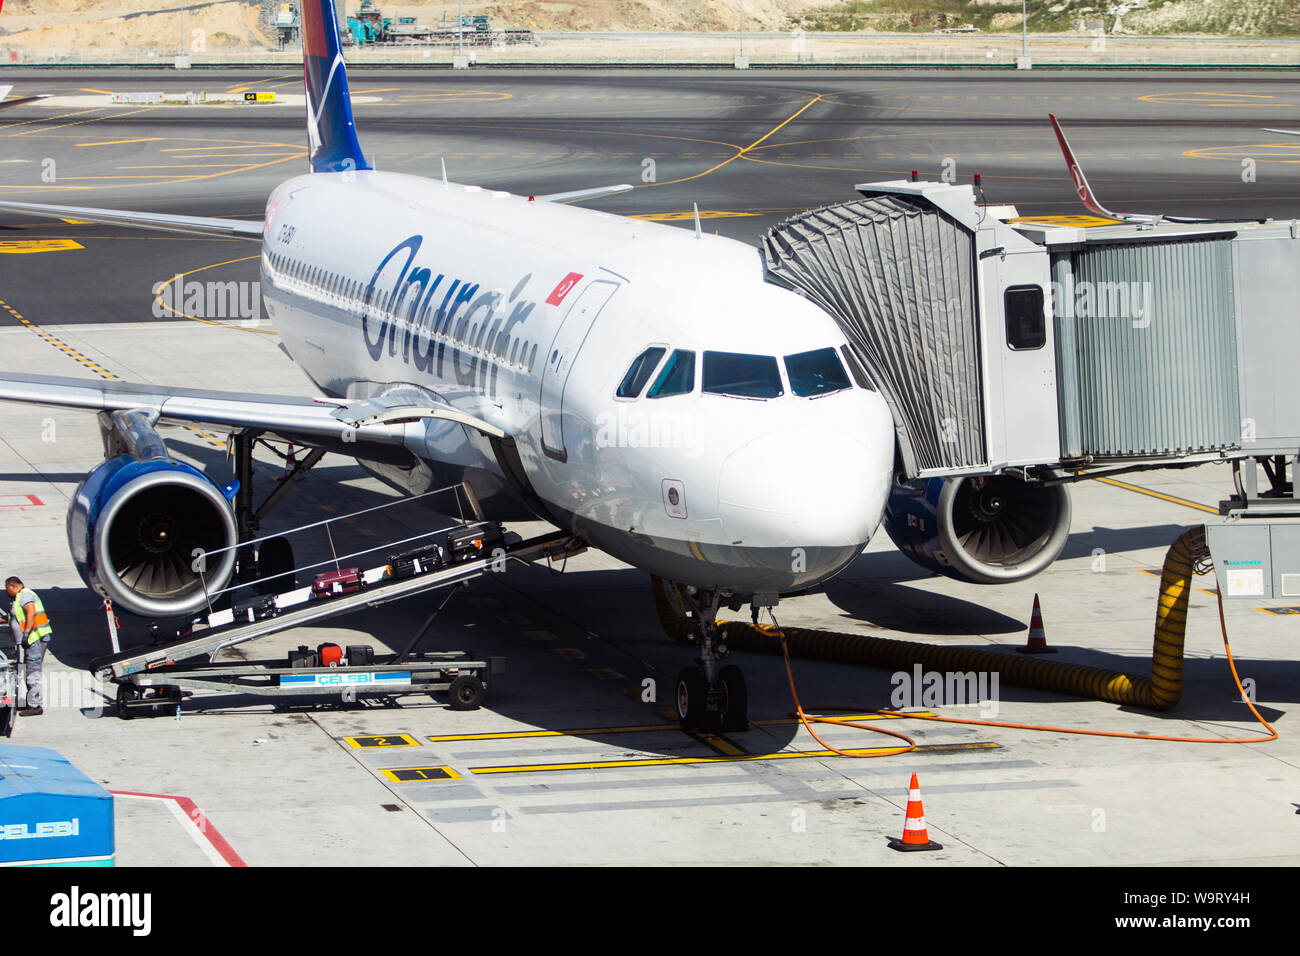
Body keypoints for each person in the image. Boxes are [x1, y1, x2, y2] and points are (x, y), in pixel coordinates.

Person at [5, 576, 52, 716]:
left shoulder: (25, 595)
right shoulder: (19, 597)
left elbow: (30, 613)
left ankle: (35, 705)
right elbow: (15, 617)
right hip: (32, 639)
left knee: (33, 671)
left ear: (12, 586)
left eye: (6, 588)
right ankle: (31, 701)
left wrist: (26, 634)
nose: (6, 591)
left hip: (35, 638)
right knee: (29, 670)